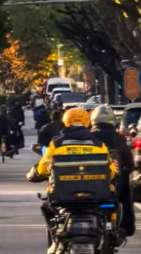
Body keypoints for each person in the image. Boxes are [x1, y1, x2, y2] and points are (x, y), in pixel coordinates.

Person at [27, 107, 116, 246]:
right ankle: (108, 235)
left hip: (64, 198)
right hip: (96, 197)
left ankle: (54, 240)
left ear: (66, 122)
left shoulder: (56, 144)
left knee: (46, 206)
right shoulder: (99, 144)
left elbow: (43, 168)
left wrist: (36, 174)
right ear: (88, 122)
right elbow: (111, 171)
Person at [90, 104, 135, 236]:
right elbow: (129, 162)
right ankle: (126, 226)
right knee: (125, 192)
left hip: (92, 183)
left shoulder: (88, 137)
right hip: (115, 184)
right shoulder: (119, 139)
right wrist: (127, 169)